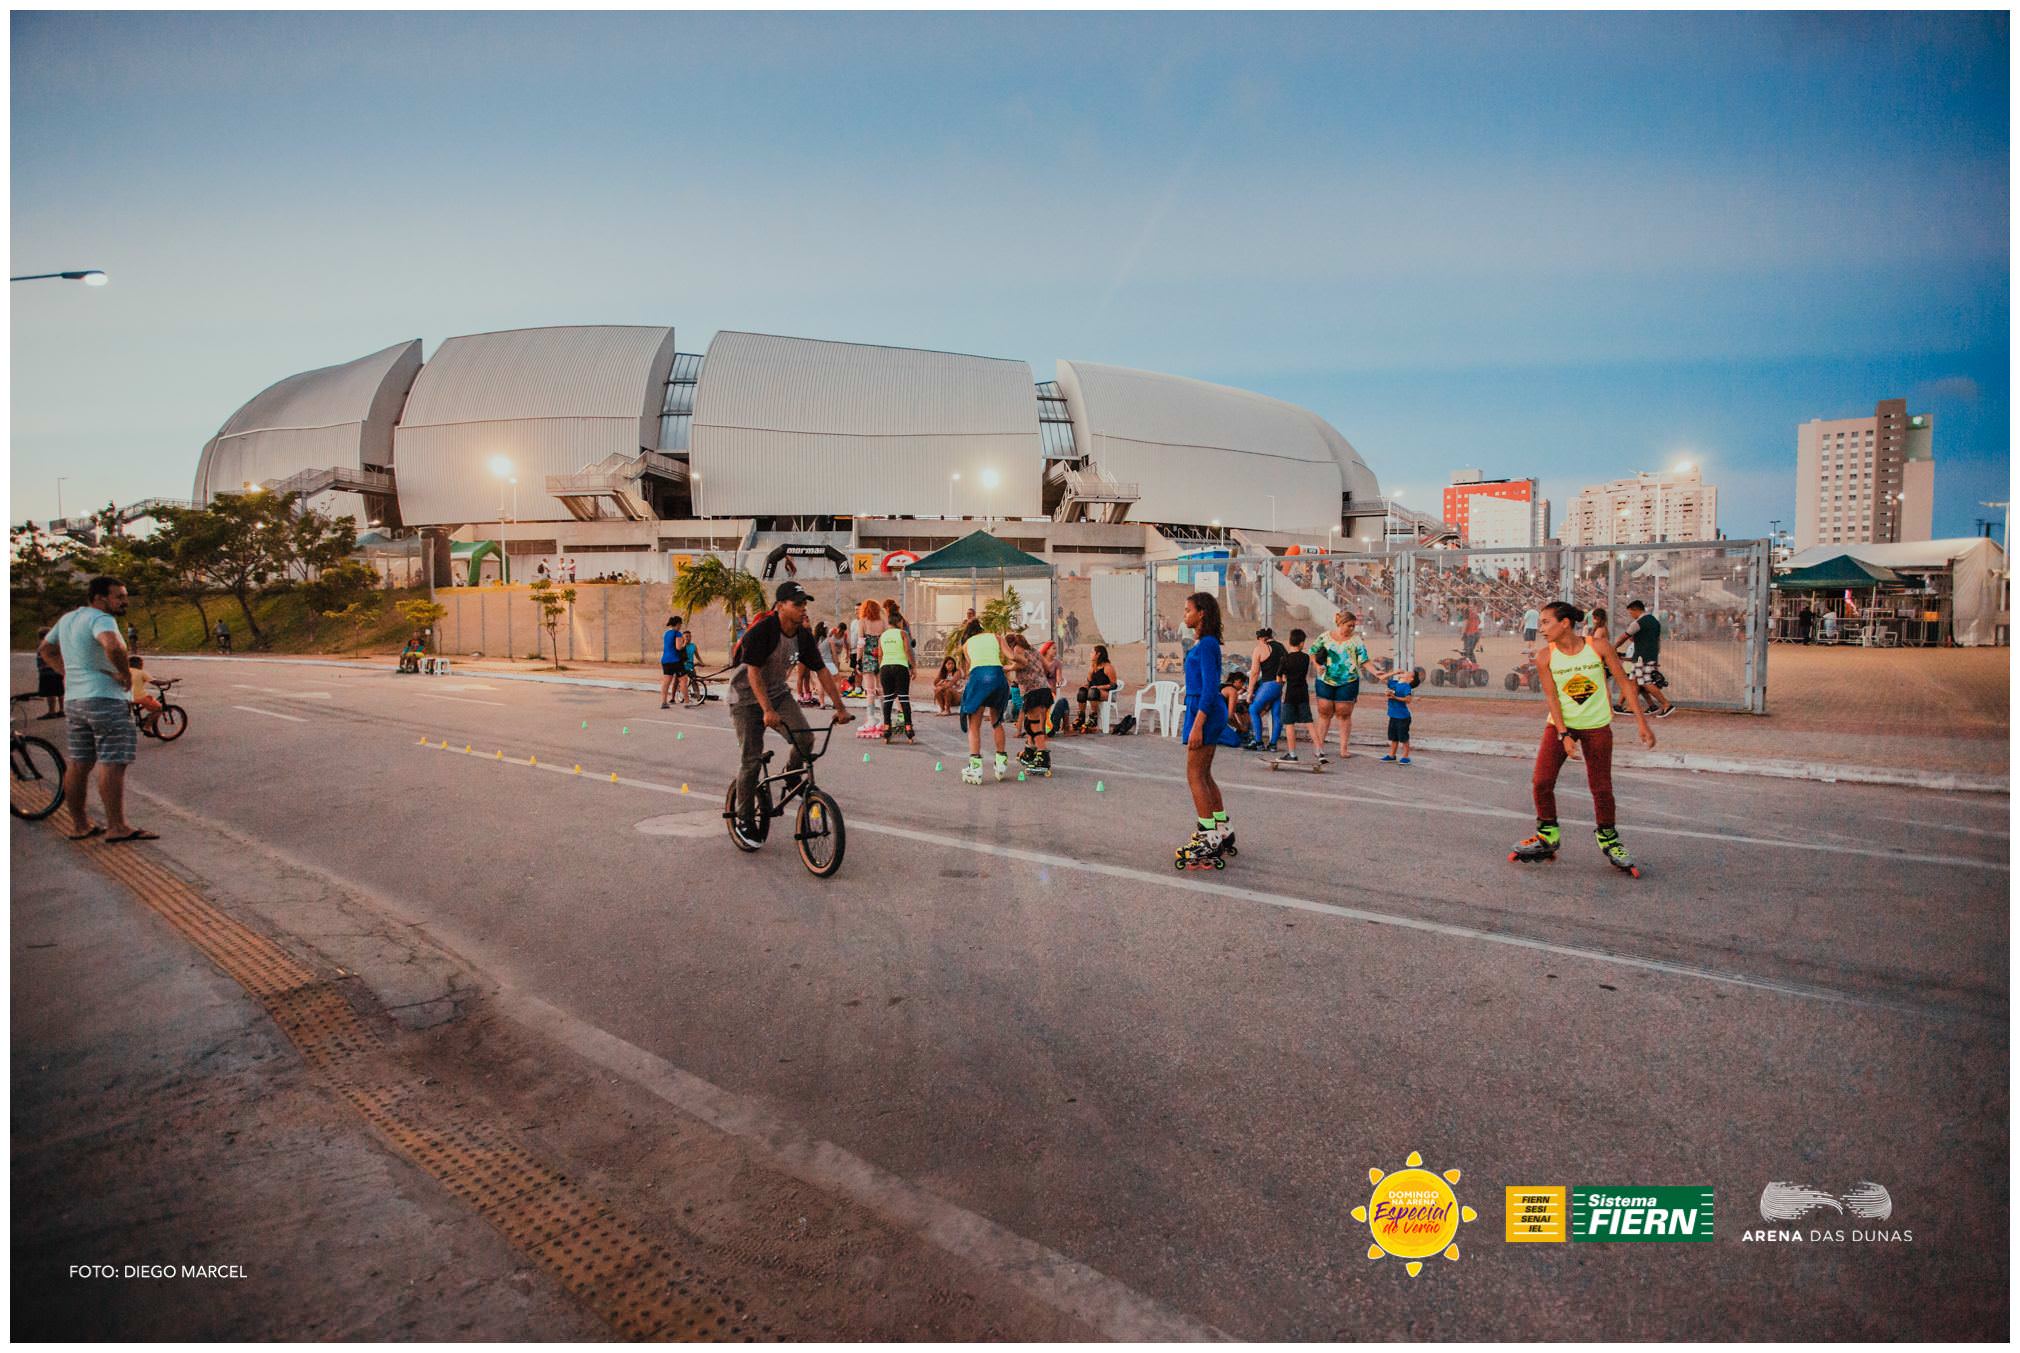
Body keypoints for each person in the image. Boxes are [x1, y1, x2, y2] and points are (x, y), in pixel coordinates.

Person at [1510, 601, 1654, 873]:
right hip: (1560, 726)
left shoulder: (1597, 648)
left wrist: (1641, 723)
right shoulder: (1545, 656)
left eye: (1546, 622)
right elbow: (1551, 697)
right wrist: (1563, 733)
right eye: (1540, 623)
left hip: (1597, 726)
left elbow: (1624, 682)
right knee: (1541, 781)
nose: (1541, 628)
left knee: (1601, 787)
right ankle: (1547, 835)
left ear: (1564, 623)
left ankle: (1609, 839)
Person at [729, 582, 852, 836]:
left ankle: (790, 772)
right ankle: (744, 819)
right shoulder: (764, 630)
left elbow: (822, 671)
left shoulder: (802, 635)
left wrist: (840, 707)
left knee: (805, 739)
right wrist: (766, 710)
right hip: (745, 697)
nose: (802, 609)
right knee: (751, 759)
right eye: (797, 604)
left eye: (804, 604)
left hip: (777, 693)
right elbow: (752, 673)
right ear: (781, 606)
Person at [39, 576, 156, 843]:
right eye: (119, 596)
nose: (125, 601)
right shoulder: (101, 619)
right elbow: (114, 645)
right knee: (112, 762)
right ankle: (117, 827)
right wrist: (125, 673)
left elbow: (45, 648)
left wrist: (65, 672)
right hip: (105, 700)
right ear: (100, 598)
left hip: (75, 702)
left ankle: (80, 825)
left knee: (79, 763)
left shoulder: (68, 619)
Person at [1175, 592, 1235, 869]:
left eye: (1188, 610)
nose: (1184, 614)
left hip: (1204, 709)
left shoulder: (1208, 644)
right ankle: (1222, 827)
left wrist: (1198, 724)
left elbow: (1211, 688)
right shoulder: (1205, 643)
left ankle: (1207, 835)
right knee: (1205, 774)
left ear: (1202, 614)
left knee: (1194, 774)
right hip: (1202, 707)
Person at [1309, 610, 1371, 760]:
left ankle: (1343, 747)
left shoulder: (1356, 640)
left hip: (1348, 680)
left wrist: (1378, 672)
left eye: (1353, 626)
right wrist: (1317, 665)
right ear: (1341, 623)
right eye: (1349, 625)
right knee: (1324, 712)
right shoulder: (1325, 637)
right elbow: (1312, 652)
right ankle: (1319, 746)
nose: (1351, 629)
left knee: (1344, 713)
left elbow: (1364, 660)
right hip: (1326, 679)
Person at [956, 620, 1012, 783]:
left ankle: (975, 766)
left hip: (979, 677)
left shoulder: (967, 644)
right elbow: (1011, 656)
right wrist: (1018, 663)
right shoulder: (995, 636)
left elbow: (968, 670)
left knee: (974, 724)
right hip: (997, 676)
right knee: (996, 721)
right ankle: (1001, 763)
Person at [1006, 633, 1057, 774]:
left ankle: (1043, 757)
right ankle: (1029, 753)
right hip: (1043, 688)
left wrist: (1009, 668)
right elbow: (1048, 667)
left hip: (1033, 690)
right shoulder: (1034, 650)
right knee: (1030, 723)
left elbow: (1022, 662)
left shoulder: (1017, 649)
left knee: (1034, 726)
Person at [1618, 600, 1674, 718]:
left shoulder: (1638, 623)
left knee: (1645, 682)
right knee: (1634, 682)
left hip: (1641, 657)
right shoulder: (1655, 622)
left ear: (1635, 610)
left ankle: (1666, 704)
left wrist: (1612, 648)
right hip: (1651, 655)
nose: (1631, 616)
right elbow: (1656, 640)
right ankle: (1633, 707)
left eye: (1631, 613)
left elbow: (1624, 637)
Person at [1275, 628, 1323, 764]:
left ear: (1290, 641)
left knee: (1289, 724)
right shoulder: (1305, 658)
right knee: (1309, 723)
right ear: (1301, 643)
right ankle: (1320, 750)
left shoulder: (1285, 659)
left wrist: (1283, 678)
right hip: (1303, 693)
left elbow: (1279, 678)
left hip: (1290, 694)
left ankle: (1292, 754)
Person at [876, 602, 916, 741]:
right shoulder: (902, 633)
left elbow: (880, 654)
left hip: (886, 667)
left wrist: (882, 668)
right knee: (903, 698)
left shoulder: (883, 636)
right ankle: (908, 727)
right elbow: (907, 650)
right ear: (899, 622)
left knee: (888, 698)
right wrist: (913, 666)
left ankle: (887, 727)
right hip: (900, 667)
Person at [1243, 628, 1288, 752]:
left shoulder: (1260, 648)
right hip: (1280, 685)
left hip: (1269, 684)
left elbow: (1254, 673)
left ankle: (1258, 742)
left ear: (1261, 639)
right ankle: (1273, 745)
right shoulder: (1281, 647)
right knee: (1276, 714)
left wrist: (1250, 692)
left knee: (1253, 709)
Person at [1070, 645, 1119, 733]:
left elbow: (1114, 685)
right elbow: (1089, 682)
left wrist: (1099, 687)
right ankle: (1081, 717)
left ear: (1098, 654)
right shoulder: (1092, 666)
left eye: (1092, 652)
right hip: (1094, 691)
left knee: (1093, 691)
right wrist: (1085, 686)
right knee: (1082, 691)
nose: (1090, 654)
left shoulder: (1108, 667)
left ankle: (1093, 718)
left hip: (1107, 693)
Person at [1380, 666, 1423, 764]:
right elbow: (1381, 678)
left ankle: (1406, 756)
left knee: (1403, 737)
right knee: (1394, 737)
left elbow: (1408, 700)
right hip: (1393, 715)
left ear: (1410, 679)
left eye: (1408, 672)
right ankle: (1392, 755)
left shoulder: (1406, 687)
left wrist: (1394, 697)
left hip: (1402, 717)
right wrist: (1395, 672)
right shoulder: (1394, 683)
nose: (1405, 672)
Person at [33, 628, 64, 718]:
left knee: (50, 692)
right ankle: (62, 709)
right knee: (60, 691)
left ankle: (52, 711)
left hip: (47, 671)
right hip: (58, 670)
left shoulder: (42, 644)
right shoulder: (58, 643)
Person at [659, 615, 687, 708]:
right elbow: (678, 647)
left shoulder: (666, 633)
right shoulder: (677, 633)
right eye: (680, 624)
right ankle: (687, 702)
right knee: (683, 680)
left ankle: (664, 702)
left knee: (666, 682)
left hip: (665, 660)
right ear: (678, 624)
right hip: (675, 660)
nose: (681, 626)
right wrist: (685, 643)